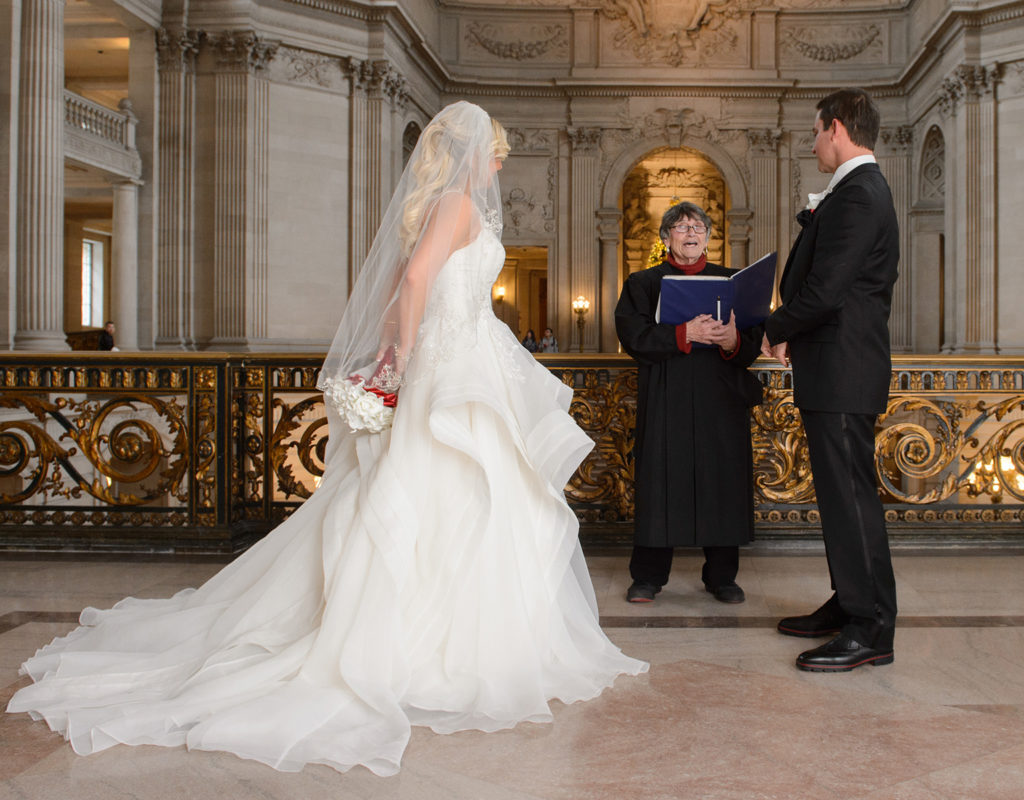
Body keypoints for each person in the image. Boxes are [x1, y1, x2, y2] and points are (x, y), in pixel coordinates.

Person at [7, 101, 646, 774]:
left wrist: (400, 350)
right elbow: (418, 282)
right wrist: (397, 361)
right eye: (495, 151)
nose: (499, 162)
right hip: (455, 364)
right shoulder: (458, 203)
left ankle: (455, 636)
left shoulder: (443, 205)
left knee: (461, 493)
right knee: (456, 490)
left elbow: (405, 288)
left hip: (464, 358)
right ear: (469, 153)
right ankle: (434, 647)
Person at [761, 88, 899, 672]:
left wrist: (773, 327)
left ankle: (870, 628)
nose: (813, 142)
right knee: (841, 499)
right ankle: (850, 602)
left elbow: (826, 290)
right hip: (834, 367)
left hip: (845, 371)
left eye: (816, 132)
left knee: (852, 499)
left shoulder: (860, 194)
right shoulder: (856, 192)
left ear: (837, 129)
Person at [614, 201, 764, 605]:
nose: (691, 232)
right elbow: (633, 337)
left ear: (709, 237)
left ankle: (722, 577)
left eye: (698, 226)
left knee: (722, 480)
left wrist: (733, 341)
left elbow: (752, 340)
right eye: (680, 227)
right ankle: (647, 577)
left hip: (721, 395)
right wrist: (684, 333)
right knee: (662, 478)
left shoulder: (733, 281)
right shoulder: (643, 283)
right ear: (665, 238)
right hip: (667, 394)